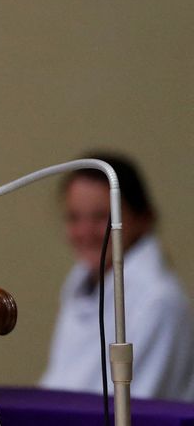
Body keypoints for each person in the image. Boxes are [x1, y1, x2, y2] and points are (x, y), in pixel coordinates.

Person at [40, 152, 194, 402]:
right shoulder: (79, 285)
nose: (85, 232)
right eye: (74, 218)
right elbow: (58, 383)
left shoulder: (159, 301)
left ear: (141, 218)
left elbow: (131, 405)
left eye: (102, 217)